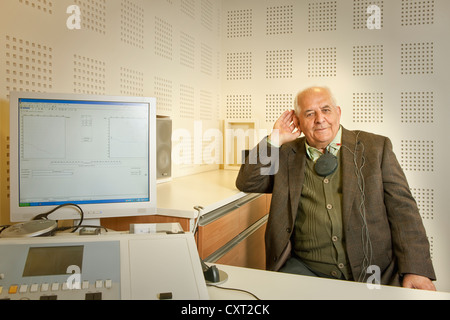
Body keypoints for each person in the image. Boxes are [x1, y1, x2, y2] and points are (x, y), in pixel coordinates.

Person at [236, 86, 436, 290]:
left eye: (326, 110)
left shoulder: (376, 147)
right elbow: (247, 182)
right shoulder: (286, 154)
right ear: (298, 121)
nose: (320, 119)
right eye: (309, 113)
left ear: (338, 112)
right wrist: (275, 139)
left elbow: (403, 209)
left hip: (373, 272)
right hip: (305, 270)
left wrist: (416, 270)